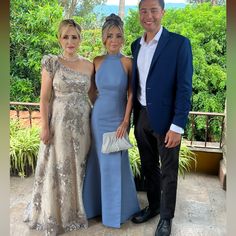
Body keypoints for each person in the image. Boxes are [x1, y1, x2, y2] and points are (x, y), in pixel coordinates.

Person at [24, 19, 94, 235]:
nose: (70, 41)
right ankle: (58, 216)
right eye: (66, 36)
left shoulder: (90, 65)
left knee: (77, 167)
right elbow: (44, 99)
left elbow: (94, 96)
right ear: (59, 38)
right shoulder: (51, 62)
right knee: (59, 168)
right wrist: (44, 127)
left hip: (83, 126)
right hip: (59, 126)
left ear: (80, 39)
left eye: (74, 37)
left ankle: (76, 211)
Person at [130, 0, 193, 235]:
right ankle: (154, 206)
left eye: (153, 10)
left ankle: (166, 218)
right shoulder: (136, 45)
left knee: (168, 170)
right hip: (142, 116)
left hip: (168, 121)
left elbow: (184, 88)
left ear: (163, 13)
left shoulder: (179, 44)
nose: (148, 16)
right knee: (148, 166)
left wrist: (177, 126)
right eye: (143, 11)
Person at [83, 13, 140, 228]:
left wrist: (126, 121)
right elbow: (91, 91)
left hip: (117, 119)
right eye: (109, 36)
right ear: (104, 39)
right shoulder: (96, 61)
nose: (114, 40)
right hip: (98, 118)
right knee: (97, 162)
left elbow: (131, 94)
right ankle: (94, 208)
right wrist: (89, 109)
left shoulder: (128, 62)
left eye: (117, 36)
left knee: (114, 165)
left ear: (122, 38)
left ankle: (114, 213)